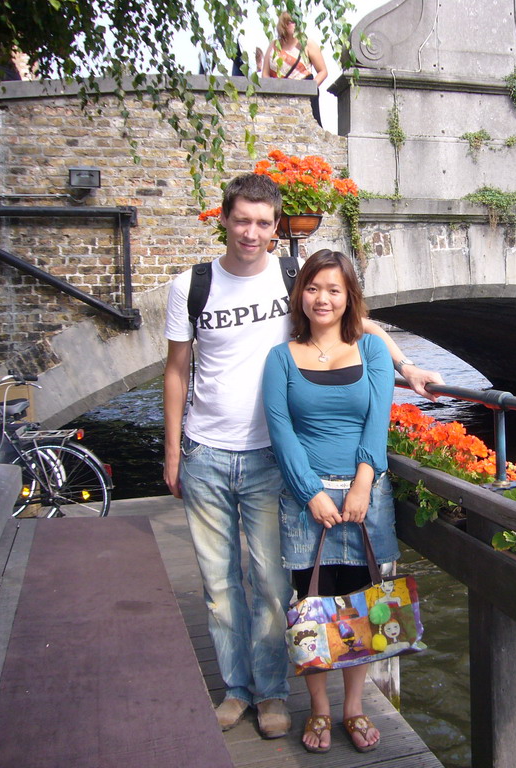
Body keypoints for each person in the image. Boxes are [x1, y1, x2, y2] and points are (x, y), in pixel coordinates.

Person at [163, 173, 441, 737]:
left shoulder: (290, 277)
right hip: (206, 451)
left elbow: (353, 319)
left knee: (271, 585)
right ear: (224, 219)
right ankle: (237, 690)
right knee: (219, 588)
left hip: (269, 458)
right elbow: (176, 369)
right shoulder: (190, 286)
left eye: (264, 223)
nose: (252, 232)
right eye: (242, 220)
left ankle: (270, 694)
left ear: (275, 228)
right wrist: (172, 452)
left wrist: (406, 366)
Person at [262, 249, 397, 754]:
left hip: (365, 494)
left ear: (348, 297)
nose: (323, 298)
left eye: (334, 290)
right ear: (302, 295)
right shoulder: (282, 358)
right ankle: (319, 709)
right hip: (306, 499)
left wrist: (362, 483)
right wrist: (311, 492)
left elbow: (376, 420)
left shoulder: (372, 350)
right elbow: (282, 432)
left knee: (360, 601)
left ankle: (354, 707)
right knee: (311, 602)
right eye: (314, 288)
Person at [261, 11, 328, 126]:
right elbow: (265, 74)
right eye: (292, 22)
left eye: (297, 22)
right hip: (277, 98)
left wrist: (308, 88)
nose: (295, 25)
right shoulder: (273, 45)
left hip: (303, 99)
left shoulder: (307, 44)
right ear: (284, 24)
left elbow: (323, 71)